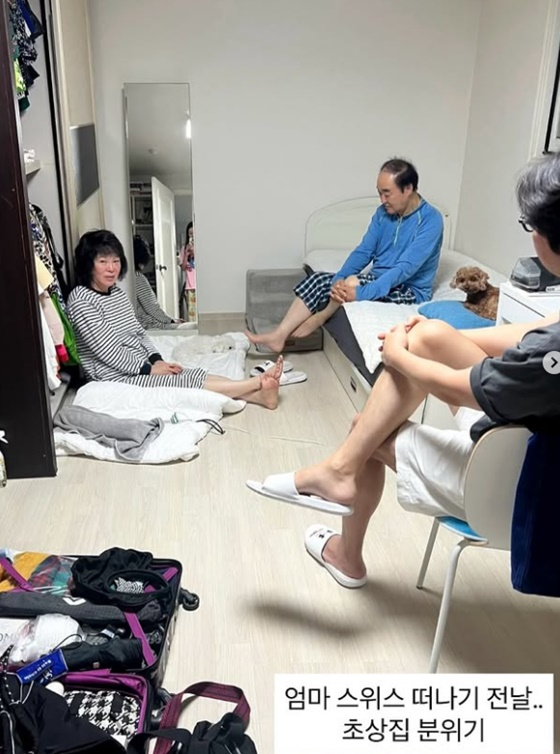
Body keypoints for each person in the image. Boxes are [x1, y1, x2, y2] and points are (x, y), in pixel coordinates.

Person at [247, 152, 560, 586]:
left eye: (530, 226)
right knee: (426, 335)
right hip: (524, 430)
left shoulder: (551, 356)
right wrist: (432, 335)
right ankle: (338, 470)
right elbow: (530, 332)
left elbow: (464, 390)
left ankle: (343, 518)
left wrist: (398, 355)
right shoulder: (551, 335)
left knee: (366, 430)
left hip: (509, 474)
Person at [67, 230, 282, 409]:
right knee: (182, 381)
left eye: (115, 261)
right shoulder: (82, 301)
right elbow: (108, 352)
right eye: (103, 261)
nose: (111, 268)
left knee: (189, 373)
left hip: (139, 365)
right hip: (113, 375)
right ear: (88, 264)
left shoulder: (116, 293)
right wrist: (149, 370)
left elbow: (139, 333)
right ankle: (256, 383)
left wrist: (156, 360)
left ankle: (260, 396)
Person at [246, 158, 444, 353]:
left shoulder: (431, 220)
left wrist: (361, 293)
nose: (382, 200)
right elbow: (364, 251)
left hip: (409, 289)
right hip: (378, 278)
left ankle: (320, 317)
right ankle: (279, 335)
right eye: (379, 193)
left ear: (408, 189)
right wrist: (338, 280)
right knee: (319, 279)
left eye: (387, 193)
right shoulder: (383, 213)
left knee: (353, 283)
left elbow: (403, 269)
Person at [133, 235, 186, 330]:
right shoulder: (137, 278)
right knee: (186, 327)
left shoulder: (128, 279)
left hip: (144, 324)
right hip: (149, 325)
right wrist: (171, 320)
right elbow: (152, 308)